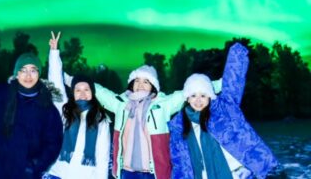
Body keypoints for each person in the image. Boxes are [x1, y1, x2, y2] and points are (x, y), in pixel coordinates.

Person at [0, 27, 63, 179]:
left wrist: (34, 166)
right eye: (23, 70)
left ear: (39, 74)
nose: (28, 75)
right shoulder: (0, 95)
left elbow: (53, 143)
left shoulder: (47, 108)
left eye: (33, 70)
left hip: (23, 174)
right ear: (16, 73)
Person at [93, 61, 223, 179]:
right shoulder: (121, 104)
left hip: (154, 172)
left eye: (146, 82)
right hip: (126, 172)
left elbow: (193, 88)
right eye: (137, 80)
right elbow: (101, 93)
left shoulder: (163, 105)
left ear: (153, 85)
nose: (140, 85)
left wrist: (221, 84)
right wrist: (76, 81)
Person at [168, 43, 279, 179]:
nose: (198, 100)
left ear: (210, 96)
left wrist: (237, 55)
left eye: (203, 95)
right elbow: (180, 162)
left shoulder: (224, 110)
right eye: (193, 95)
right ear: (187, 98)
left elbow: (233, 83)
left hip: (238, 174)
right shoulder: (178, 126)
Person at [45, 31, 110, 179]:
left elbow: (103, 155)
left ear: (92, 93)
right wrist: (54, 53)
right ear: (72, 93)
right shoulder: (64, 110)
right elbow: (55, 82)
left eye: (86, 89)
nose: (82, 93)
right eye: (78, 90)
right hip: (59, 173)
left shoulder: (100, 118)